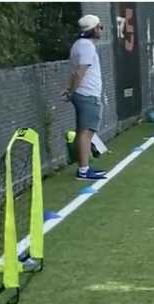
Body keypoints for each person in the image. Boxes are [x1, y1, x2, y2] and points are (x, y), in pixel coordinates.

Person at [64, 14, 108, 181]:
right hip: (87, 94)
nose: (101, 30)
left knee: (82, 131)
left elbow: (75, 71)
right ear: (93, 29)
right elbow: (80, 71)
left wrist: (70, 89)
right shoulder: (86, 47)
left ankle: (83, 167)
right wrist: (71, 91)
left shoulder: (78, 45)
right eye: (99, 27)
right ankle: (83, 170)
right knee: (86, 132)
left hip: (82, 93)